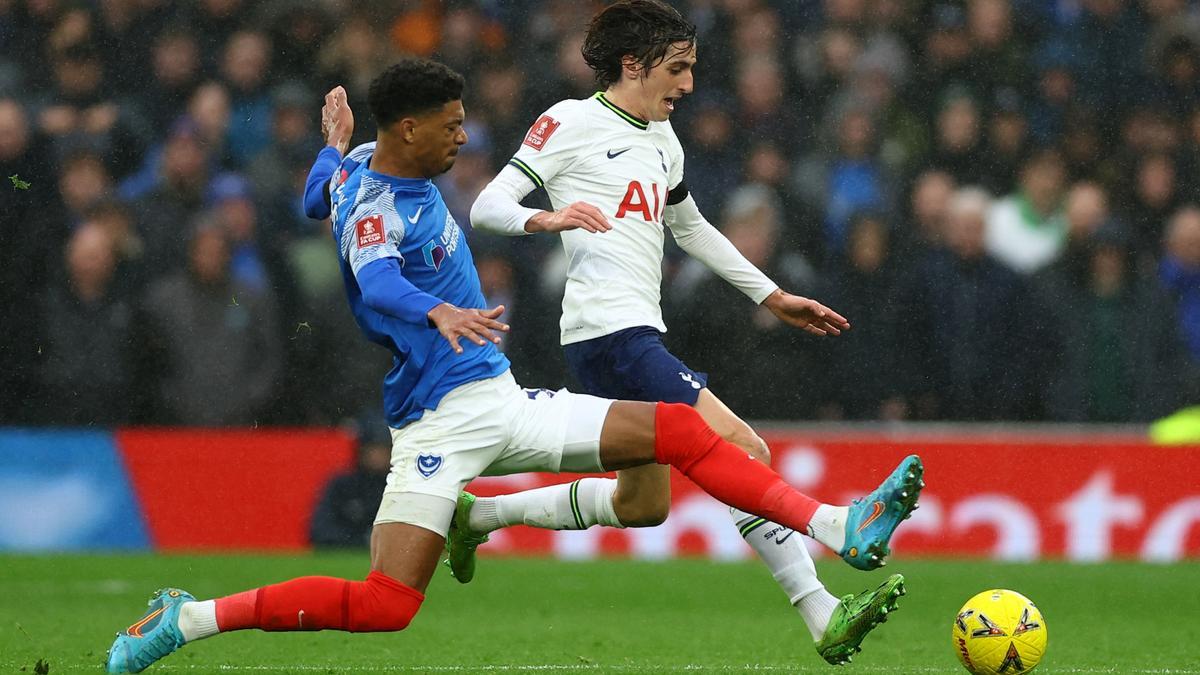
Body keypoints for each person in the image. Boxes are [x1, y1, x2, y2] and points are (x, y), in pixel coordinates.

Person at [104, 58, 923, 674]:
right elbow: (377, 275)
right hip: (441, 415)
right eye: (451, 124)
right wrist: (438, 309)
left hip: (484, 399)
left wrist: (331, 149)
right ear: (408, 131)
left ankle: (831, 526)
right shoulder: (387, 206)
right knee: (386, 605)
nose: (465, 137)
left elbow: (314, 196)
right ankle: (189, 618)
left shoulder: (356, 170)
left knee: (677, 431)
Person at [468, 0, 908, 664]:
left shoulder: (663, 139)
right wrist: (546, 222)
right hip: (608, 335)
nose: (690, 85)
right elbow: (486, 204)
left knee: (642, 503)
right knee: (740, 444)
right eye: (678, 69)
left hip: (632, 333)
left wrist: (772, 293)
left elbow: (692, 227)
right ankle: (833, 551)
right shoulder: (569, 121)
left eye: (693, 69)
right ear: (632, 64)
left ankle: (477, 516)